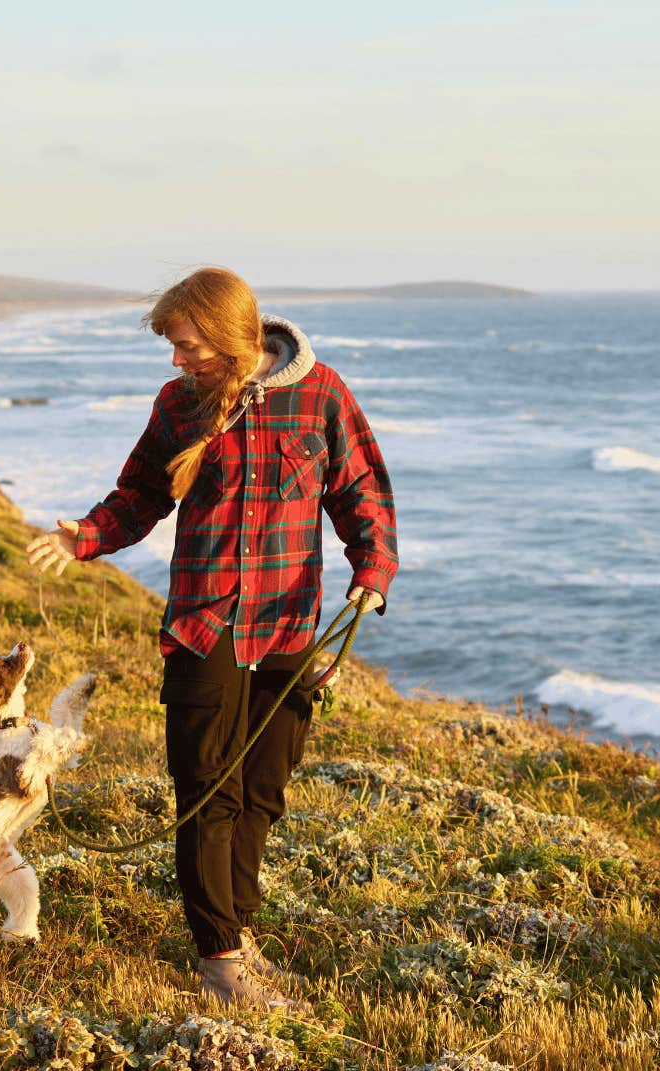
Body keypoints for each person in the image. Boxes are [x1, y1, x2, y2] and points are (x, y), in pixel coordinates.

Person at [24, 266, 398, 1012]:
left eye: (185, 344)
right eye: (171, 345)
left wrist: (373, 570)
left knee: (261, 792)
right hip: (205, 626)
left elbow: (363, 492)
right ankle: (219, 959)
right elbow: (140, 495)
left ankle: (239, 932)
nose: (175, 360)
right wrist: (86, 537)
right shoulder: (179, 404)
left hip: (289, 626)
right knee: (206, 796)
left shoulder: (322, 395)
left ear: (231, 335)